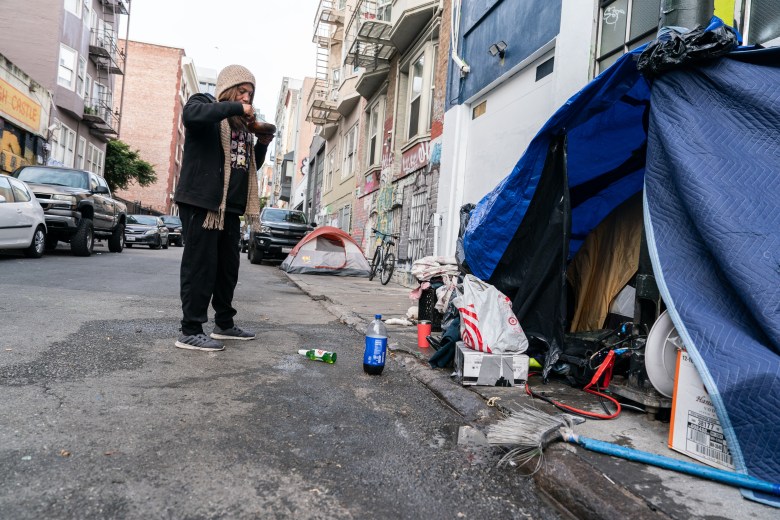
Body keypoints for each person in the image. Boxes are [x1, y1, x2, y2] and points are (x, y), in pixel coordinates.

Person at [173, 64, 275, 352]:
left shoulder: (242, 126)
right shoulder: (203, 104)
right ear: (227, 89)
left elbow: (246, 166)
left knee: (227, 270)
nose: (247, 98)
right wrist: (235, 107)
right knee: (200, 266)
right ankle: (190, 329)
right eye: (242, 90)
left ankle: (224, 324)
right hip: (203, 202)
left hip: (230, 209)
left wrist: (263, 144)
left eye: (250, 94)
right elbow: (191, 117)